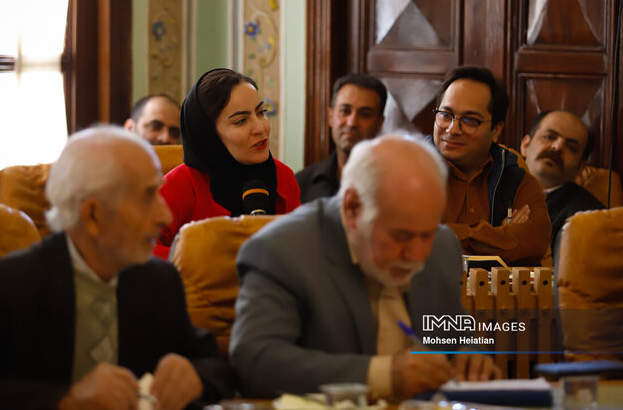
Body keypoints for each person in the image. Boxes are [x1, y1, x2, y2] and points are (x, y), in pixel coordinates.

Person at [0, 126, 233, 410]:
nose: (165, 216)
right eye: (147, 197)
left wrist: (195, 376)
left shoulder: (159, 281)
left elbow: (218, 366)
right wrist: (66, 399)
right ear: (92, 216)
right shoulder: (10, 284)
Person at [230, 134, 500, 400]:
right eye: (400, 236)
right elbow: (255, 362)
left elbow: (453, 340)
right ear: (352, 208)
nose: (417, 255)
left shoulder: (442, 247)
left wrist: (470, 357)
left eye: (427, 234)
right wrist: (383, 375)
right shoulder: (281, 251)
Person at [154, 68, 300, 260]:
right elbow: (138, 249)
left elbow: (300, 247)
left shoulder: (282, 176)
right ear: (208, 134)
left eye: (261, 112)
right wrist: (205, 263)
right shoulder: (181, 184)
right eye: (241, 121)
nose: (259, 127)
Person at [431, 65, 550, 266]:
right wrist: (497, 236)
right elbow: (405, 238)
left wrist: (447, 235)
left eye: (469, 120)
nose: (452, 129)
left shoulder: (514, 174)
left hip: (500, 296)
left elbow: (534, 242)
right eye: (446, 115)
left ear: (496, 130)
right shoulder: (409, 167)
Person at [295, 74, 386, 203]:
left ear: (380, 124)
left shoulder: (395, 185)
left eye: (365, 114)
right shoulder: (300, 184)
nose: (352, 122)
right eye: (345, 111)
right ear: (331, 116)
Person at [520, 110, 604, 246]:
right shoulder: (487, 186)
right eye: (548, 137)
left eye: (571, 147)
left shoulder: (587, 218)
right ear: (525, 145)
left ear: (580, 168)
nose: (557, 146)